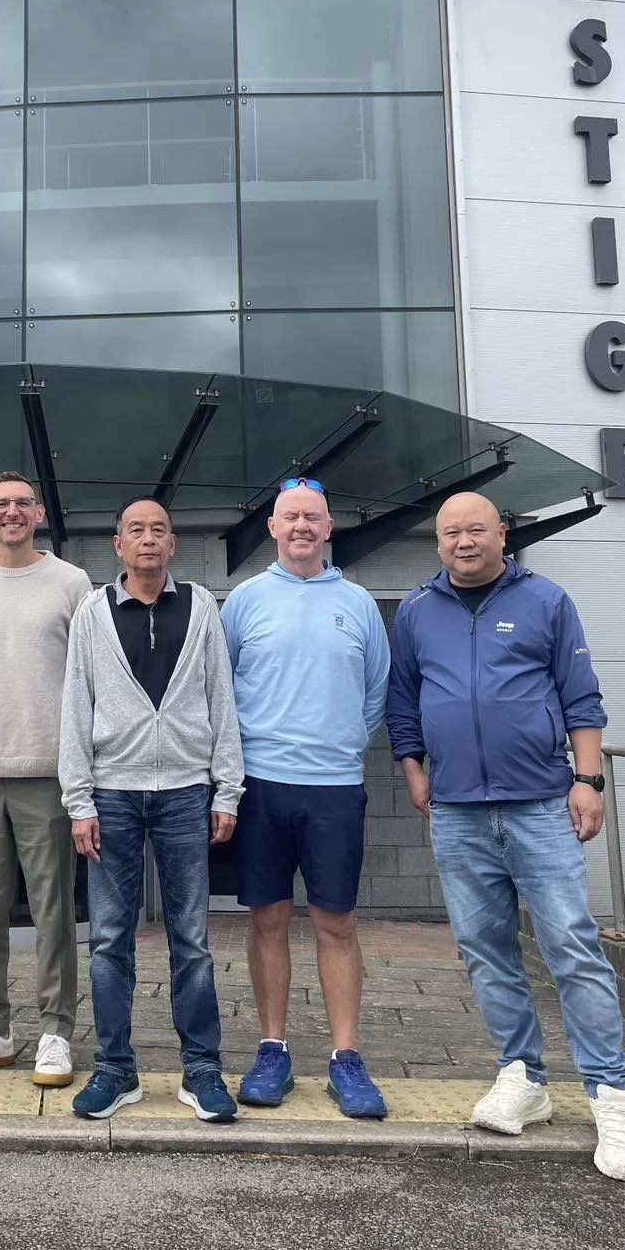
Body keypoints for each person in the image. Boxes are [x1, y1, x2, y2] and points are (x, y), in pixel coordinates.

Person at [386, 491, 625, 1182]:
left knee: (572, 947)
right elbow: (403, 699)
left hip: (540, 804)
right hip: (457, 811)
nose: (463, 541)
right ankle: (524, 1076)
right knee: (485, 949)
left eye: (476, 529)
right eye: (450, 532)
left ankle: (611, 1095)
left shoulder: (547, 601)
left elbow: (581, 697)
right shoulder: (416, 610)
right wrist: (414, 770)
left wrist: (587, 779)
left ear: (502, 533)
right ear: (437, 542)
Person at [59, 497, 244, 1124]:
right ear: (118, 545)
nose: (147, 539)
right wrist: (79, 800)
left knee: (192, 939)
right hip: (111, 793)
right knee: (110, 939)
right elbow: (75, 703)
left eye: (158, 530)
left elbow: (221, 696)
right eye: (135, 530)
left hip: (187, 791)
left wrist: (227, 788)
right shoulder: (93, 611)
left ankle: (202, 1068)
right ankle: (115, 1069)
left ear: (172, 544)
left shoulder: (201, 606)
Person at [220, 478, 391, 1119]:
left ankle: (346, 1058)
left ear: (328, 528)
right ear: (272, 527)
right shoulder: (243, 601)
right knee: (267, 919)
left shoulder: (359, 604)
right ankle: (273, 1051)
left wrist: (337, 744)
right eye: (290, 516)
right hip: (261, 783)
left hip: (335, 786)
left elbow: (376, 693)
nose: (301, 526)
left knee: (336, 922)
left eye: (312, 517)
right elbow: (220, 688)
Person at [0, 472, 93, 1088]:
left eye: (23, 503)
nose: (12, 512)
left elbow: (84, 675)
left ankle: (56, 1031)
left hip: (48, 772)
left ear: (39, 514)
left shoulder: (72, 583)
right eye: (0, 504)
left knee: (54, 914)